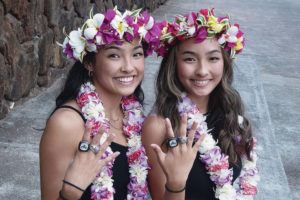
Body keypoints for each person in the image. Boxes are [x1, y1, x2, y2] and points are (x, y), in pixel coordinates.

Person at [39, 7, 163, 200]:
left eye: (136, 54)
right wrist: (70, 192)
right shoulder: (67, 123)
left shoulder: (134, 116)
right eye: (114, 55)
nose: (128, 67)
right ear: (89, 63)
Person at [142, 8, 260, 200]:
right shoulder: (160, 126)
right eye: (190, 59)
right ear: (174, 64)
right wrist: (177, 183)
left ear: (224, 62)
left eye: (213, 58)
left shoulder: (231, 117)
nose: (202, 71)